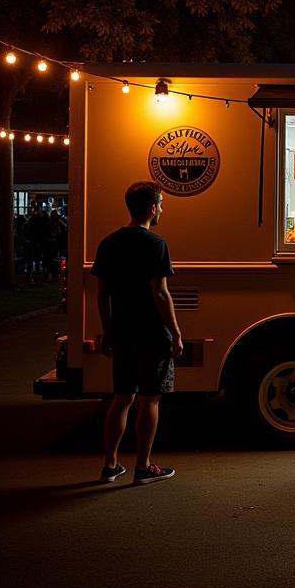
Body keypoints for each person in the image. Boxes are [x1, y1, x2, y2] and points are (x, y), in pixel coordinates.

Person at [93, 181, 183, 484]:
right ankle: (143, 467)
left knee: (122, 398)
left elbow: (101, 293)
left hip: (121, 330)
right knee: (149, 400)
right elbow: (161, 294)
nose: (163, 210)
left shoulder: (108, 242)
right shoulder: (156, 244)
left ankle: (110, 464)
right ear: (152, 207)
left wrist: (107, 331)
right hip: (151, 333)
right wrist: (177, 333)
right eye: (162, 204)